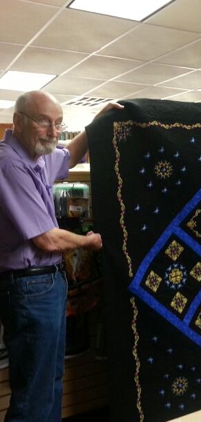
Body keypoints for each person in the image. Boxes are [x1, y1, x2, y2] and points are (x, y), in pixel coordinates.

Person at [0, 90, 123, 422]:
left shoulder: (34, 156)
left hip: (44, 285)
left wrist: (95, 124)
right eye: (44, 122)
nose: (53, 131)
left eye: (58, 123)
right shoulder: (9, 163)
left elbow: (68, 156)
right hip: (29, 288)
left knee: (49, 383)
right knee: (34, 393)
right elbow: (46, 239)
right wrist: (90, 241)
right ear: (19, 121)